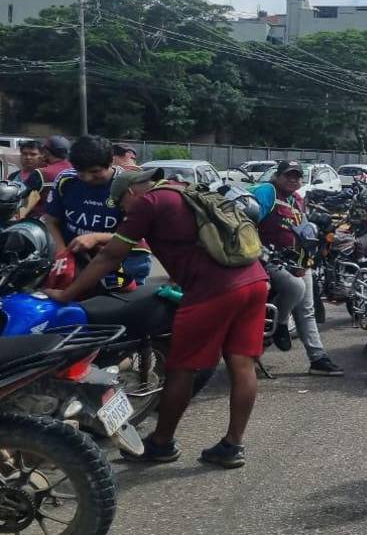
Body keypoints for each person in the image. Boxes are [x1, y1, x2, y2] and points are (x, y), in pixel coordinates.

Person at [45, 168, 269, 468]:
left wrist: (66, 294)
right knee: (242, 365)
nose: (125, 212)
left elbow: (111, 255)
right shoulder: (184, 190)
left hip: (213, 291)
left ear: (129, 193)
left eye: (122, 206)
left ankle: (161, 443)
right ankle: (232, 445)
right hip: (254, 280)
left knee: (182, 369)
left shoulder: (148, 203)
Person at [247, 160, 343, 376]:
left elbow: (304, 232)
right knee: (293, 290)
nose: (293, 179)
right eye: (288, 175)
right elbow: (248, 222)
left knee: (306, 310)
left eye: (297, 176)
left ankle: (318, 358)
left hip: (297, 261)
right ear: (278, 176)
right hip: (266, 260)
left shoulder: (297, 199)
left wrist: (308, 259)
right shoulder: (267, 192)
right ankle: (277, 328)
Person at [41, 135, 151, 290]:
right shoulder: (66, 180)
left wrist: (96, 237)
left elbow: (137, 234)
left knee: (118, 308)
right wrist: (61, 255)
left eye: (94, 171)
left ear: (111, 161)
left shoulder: (129, 185)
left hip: (126, 258)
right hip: (78, 257)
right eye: (80, 172)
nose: (87, 178)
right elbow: (51, 221)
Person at [17, 136, 72, 220]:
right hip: (69, 221)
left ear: (46, 152)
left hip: (42, 223)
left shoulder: (41, 173)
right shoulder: (75, 170)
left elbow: (22, 196)